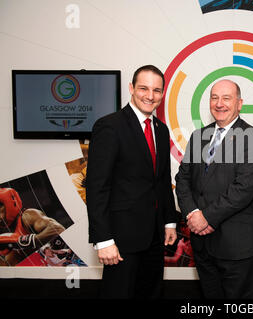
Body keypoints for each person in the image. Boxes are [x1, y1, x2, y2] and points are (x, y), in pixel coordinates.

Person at [86, 65, 178, 299]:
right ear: (131, 89)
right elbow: (97, 187)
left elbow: (162, 181)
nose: (150, 96)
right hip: (120, 239)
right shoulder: (109, 126)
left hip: (155, 237)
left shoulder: (161, 129)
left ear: (163, 93)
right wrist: (103, 239)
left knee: (150, 293)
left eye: (157, 90)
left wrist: (169, 222)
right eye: (144, 88)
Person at [175, 79, 253, 299]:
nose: (219, 103)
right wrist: (193, 214)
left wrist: (207, 218)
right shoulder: (198, 137)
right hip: (202, 242)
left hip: (235, 245)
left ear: (239, 103)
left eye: (226, 98)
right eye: (214, 97)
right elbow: (182, 179)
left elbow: (244, 188)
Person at [0, 187, 65, 266]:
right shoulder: (9, 241)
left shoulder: (28, 216)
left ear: (10, 203)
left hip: (68, 261)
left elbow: (58, 229)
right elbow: (11, 270)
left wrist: (23, 241)